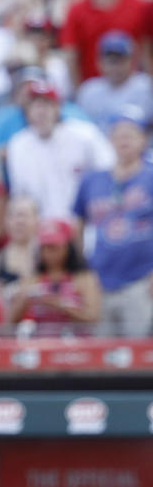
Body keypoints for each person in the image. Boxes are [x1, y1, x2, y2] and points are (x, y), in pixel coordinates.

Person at [73, 109, 153, 337]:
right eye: (118, 134)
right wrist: (82, 269)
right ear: (110, 140)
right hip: (100, 279)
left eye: (130, 134)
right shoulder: (93, 179)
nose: (124, 140)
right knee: (99, 356)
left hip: (141, 279)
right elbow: (76, 222)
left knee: (139, 356)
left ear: (143, 139)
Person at [6, 82, 114, 220]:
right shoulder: (18, 144)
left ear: (57, 108)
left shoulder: (85, 134)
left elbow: (108, 172)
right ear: (26, 111)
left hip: (85, 222)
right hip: (42, 228)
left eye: (46, 105)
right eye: (34, 106)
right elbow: (20, 194)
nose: (41, 112)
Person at [8, 218, 102, 336]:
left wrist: (58, 305)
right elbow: (9, 323)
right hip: (40, 346)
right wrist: (23, 300)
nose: (47, 253)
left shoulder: (84, 279)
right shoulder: (32, 280)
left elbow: (92, 317)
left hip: (77, 347)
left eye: (53, 247)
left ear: (67, 248)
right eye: (44, 247)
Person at [74, 31, 153, 128]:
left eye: (120, 61)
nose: (115, 67)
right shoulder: (89, 90)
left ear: (132, 61)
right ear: (99, 62)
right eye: (111, 61)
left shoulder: (146, 86)